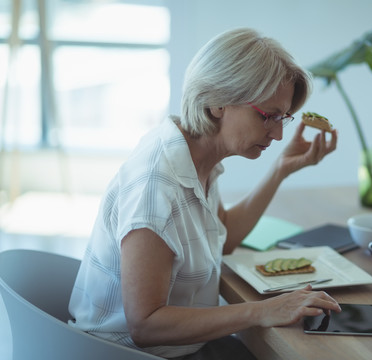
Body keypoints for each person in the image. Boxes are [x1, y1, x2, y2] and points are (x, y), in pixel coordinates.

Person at [69, 27, 340, 359]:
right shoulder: (156, 186)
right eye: (269, 116)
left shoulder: (195, 154)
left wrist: (281, 169)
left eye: (283, 117)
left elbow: (221, 236)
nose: (279, 134)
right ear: (217, 103)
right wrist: (262, 310)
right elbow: (146, 325)